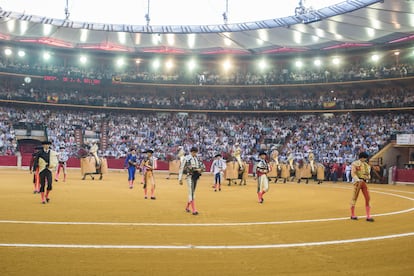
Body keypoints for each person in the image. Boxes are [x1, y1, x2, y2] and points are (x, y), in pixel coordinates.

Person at [350, 152, 374, 222]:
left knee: (367, 198)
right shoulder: (355, 163)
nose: (366, 159)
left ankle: (368, 216)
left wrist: (367, 177)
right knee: (354, 198)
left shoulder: (366, 165)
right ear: (362, 158)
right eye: (365, 158)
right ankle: (352, 215)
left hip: (363, 182)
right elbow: (353, 173)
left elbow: (368, 176)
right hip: (357, 183)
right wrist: (358, 180)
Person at [183, 147, 205, 215]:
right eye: (193, 152)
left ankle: (187, 207)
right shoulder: (187, 158)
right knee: (192, 193)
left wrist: (200, 170)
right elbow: (184, 168)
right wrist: (196, 169)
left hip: (195, 177)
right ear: (191, 152)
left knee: (192, 192)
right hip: (189, 177)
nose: (195, 153)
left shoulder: (197, 159)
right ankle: (194, 210)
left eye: (195, 152)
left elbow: (203, 167)